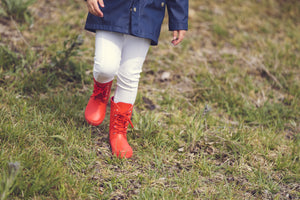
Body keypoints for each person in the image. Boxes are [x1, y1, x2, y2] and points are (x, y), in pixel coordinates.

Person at [84, 0, 188, 158]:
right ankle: (100, 94)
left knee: (130, 74)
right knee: (105, 67)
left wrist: (179, 19)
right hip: (110, 8)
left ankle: (118, 132)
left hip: (147, 13)